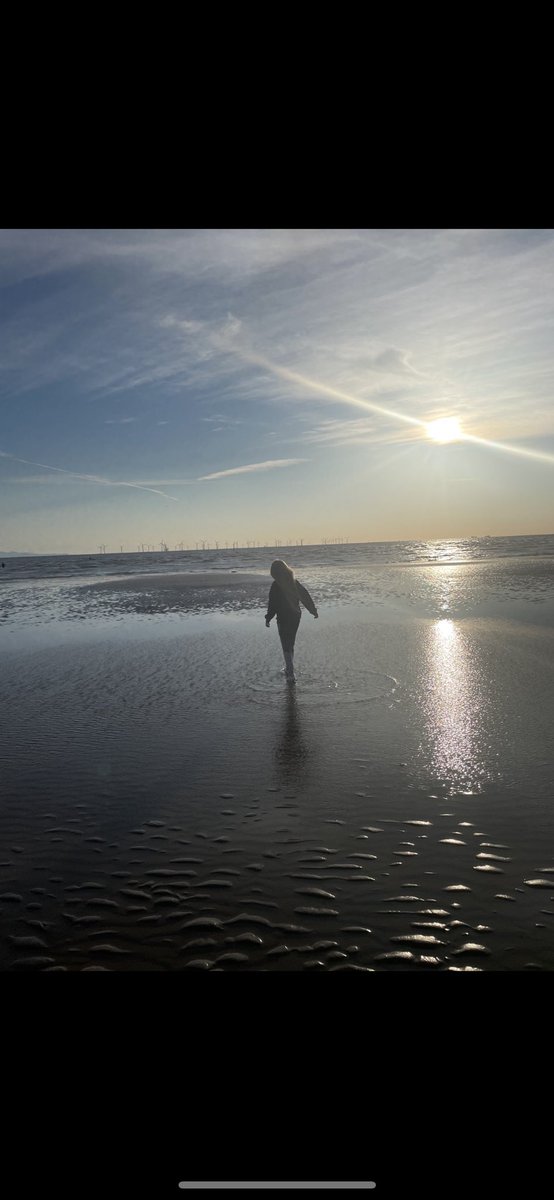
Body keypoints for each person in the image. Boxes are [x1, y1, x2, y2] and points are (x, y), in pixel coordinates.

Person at [265, 559, 318, 681]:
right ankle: (290, 668)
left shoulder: (275, 585)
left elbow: (272, 604)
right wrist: (313, 610)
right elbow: (305, 596)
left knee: (285, 643)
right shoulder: (294, 582)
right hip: (295, 617)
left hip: (283, 618)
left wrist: (268, 618)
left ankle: (290, 671)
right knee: (291, 642)